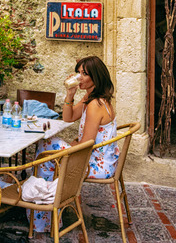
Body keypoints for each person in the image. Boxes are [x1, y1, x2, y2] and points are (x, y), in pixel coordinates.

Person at [31, 55, 120, 234]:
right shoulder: (92, 97)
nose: (79, 77)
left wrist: (72, 145)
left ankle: (44, 215)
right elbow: (68, 117)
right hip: (99, 159)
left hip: (95, 165)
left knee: (46, 150)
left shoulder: (95, 104)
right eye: (78, 72)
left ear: (96, 77)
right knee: (48, 148)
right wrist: (69, 94)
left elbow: (86, 144)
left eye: (84, 74)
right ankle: (48, 209)